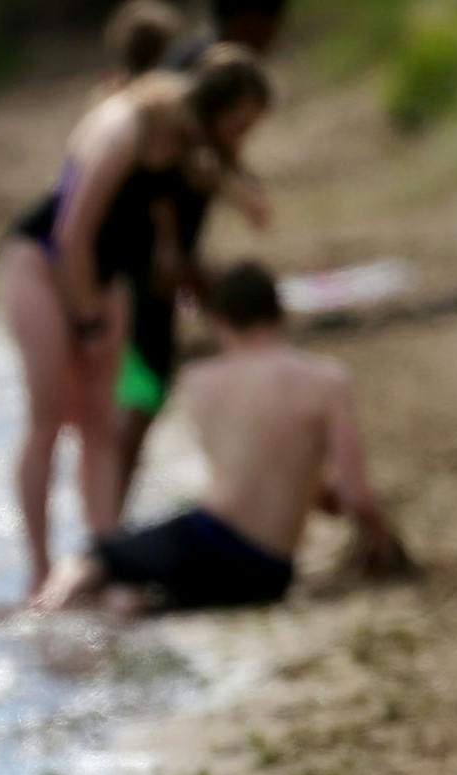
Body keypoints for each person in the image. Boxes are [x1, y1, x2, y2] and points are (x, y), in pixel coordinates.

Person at [0, 45, 271, 598]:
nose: (241, 140)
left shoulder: (185, 144)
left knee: (101, 424)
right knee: (49, 416)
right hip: (42, 263)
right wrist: (87, 323)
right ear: (212, 109)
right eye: (240, 127)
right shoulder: (126, 126)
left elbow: (200, 205)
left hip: (105, 278)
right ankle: (38, 570)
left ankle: (108, 558)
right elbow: (72, 232)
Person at [38, 260, 406, 615]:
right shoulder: (329, 380)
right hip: (269, 573)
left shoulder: (200, 381)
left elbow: (252, 461)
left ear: (219, 321)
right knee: (138, 598)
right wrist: (383, 543)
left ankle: (39, 612)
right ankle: (124, 607)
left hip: (214, 537)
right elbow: (355, 495)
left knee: (95, 559)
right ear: (280, 314)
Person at [115, 0, 295, 510]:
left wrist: (242, 186)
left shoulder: (201, 60)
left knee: (152, 377)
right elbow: (160, 163)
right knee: (146, 380)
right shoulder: (200, 65)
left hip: (163, 252)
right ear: (249, 18)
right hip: (150, 256)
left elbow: (207, 150)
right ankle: (109, 518)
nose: (274, 36)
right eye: (272, 23)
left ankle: (115, 509)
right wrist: (171, 251)